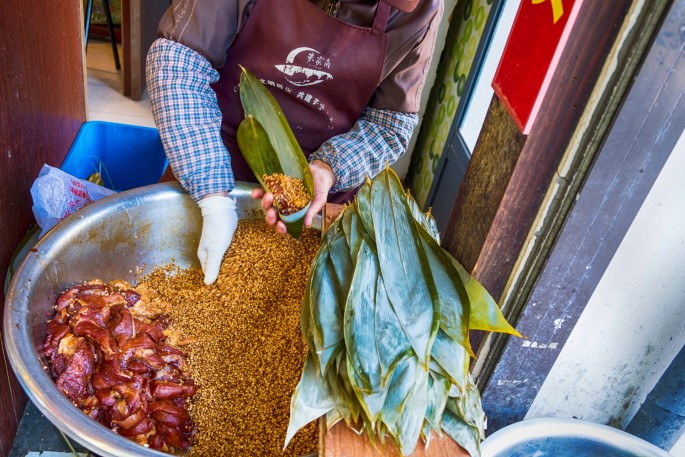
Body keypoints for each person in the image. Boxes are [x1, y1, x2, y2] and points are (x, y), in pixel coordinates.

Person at [146, 0, 443, 285]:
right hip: (213, 160)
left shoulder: (420, 10)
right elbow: (179, 63)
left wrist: (328, 168)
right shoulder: (210, 183)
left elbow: (389, 125)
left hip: (316, 202)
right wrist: (214, 199)